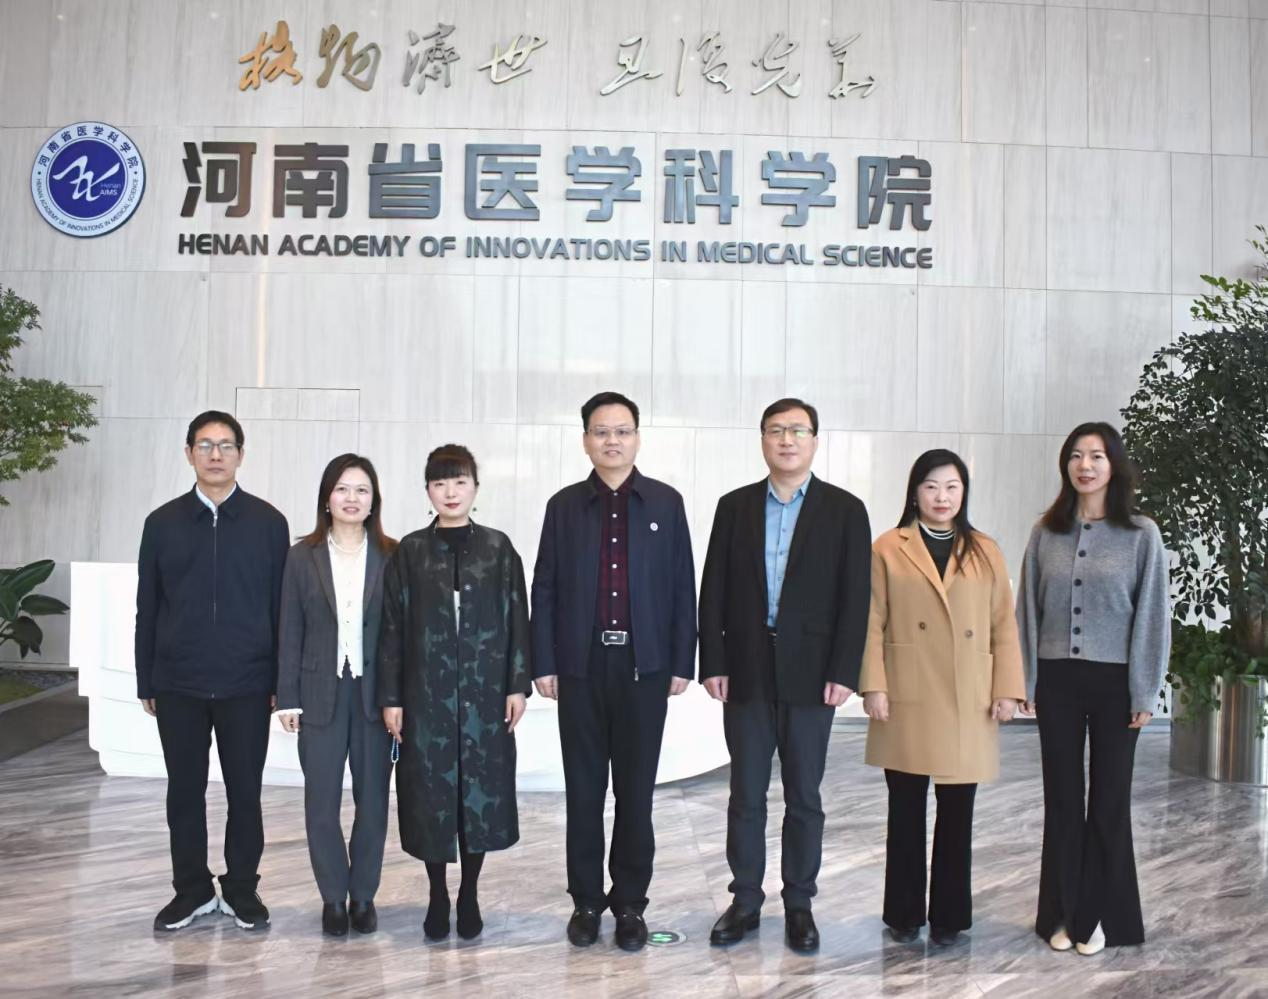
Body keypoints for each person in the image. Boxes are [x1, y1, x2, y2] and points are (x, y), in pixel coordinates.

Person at [699, 398, 871, 954]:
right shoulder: (734, 507)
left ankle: (799, 903)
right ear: (762, 440)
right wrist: (714, 661)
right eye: (776, 430)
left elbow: (856, 598)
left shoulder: (845, 510)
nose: (787, 439)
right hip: (746, 668)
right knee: (745, 793)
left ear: (815, 441)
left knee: (804, 795)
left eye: (798, 430)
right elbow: (713, 588)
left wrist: (845, 670)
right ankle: (746, 900)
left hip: (813, 674)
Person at [531, 391, 697, 952]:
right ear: (585, 440)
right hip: (580, 668)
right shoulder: (563, 506)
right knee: (583, 792)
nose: (612, 440)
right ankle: (585, 903)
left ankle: (629, 904)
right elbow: (544, 588)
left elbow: (682, 587)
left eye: (622, 431)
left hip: (643, 668)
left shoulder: (666, 504)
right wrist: (544, 661)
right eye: (601, 431)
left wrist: (680, 661)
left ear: (637, 438)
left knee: (635, 793)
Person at [858, 449, 1025, 947]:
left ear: (964, 493)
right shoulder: (888, 547)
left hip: (967, 694)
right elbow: (871, 620)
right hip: (906, 690)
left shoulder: (985, 549)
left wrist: (1007, 689)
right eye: (931, 486)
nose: (942, 497)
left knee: (957, 813)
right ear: (915, 492)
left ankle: (950, 916)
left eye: (952, 487)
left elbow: (1003, 624)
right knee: (905, 809)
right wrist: (874, 684)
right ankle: (904, 913)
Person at [1016, 422, 1170, 956]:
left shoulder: (1141, 533)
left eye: (1097, 456)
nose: (1085, 465)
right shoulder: (1046, 532)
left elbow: (1153, 617)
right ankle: (1060, 914)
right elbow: (1026, 611)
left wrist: (1145, 691)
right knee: (1062, 799)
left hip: (1115, 684)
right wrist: (1026, 680)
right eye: (1077, 456)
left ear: (1114, 465)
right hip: (1057, 679)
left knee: (1109, 801)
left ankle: (1100, 917)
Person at [135, 410, 290, 932]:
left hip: (248, 683)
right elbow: (148, 607)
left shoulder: (269, 523)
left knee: (245, 792)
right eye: (205, 445)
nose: (216, 454)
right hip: (178, 682)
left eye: (226, 445)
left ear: (241, 454)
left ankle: (241, 888)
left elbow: (280, 609)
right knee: (184, 792)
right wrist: (146, 678)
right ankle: (192, 890)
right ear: (189, 454)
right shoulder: (162, 523)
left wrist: (279, 680)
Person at [378, 445, 531, 942]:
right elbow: (392, 628)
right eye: (440, 483)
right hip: (426, 697)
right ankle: (437, 893)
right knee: (430, 795)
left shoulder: (498, 549)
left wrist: (517, 685)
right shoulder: (410, 552)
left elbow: (518, 618)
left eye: (459, 481)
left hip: (486, 696)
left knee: (479, 794)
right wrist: (392, 697)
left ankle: (469, 892)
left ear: (475, 488)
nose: (450, 492)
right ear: (428, 491)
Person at [275, 454, 397, 937]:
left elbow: (401, 634)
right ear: (327, 497)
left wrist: (400, 698)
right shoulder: (301, 556)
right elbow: (290, 628)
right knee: (321, 804)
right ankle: (332, 897)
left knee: (374, 802)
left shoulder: (392, 554)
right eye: (342, 488)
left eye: (361, 490)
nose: (352, 498)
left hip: (375, 699)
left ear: (374, 500)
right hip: (318, 694)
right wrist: (287, 697)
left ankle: (363, 895)